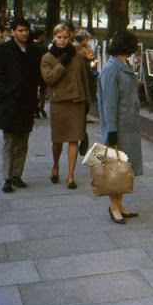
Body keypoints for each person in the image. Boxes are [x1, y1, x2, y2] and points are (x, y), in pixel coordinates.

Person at [0, 18, 42, 193]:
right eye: (20, 30)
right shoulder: (3, 50)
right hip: (9, 103)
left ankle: (17, 175)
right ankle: (7, 177)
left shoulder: (34, 51)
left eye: (26, 30)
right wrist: (9, 91)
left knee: (23, 141)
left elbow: (38, 74)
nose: (24, 33)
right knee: (9, 141)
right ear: (13, 32)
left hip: (27, 102)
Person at [98, 30, 142, 224]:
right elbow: (109, 103)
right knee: (115, 169)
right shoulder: (111, 69)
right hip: (119, 128)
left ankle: (120, 205)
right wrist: (111, 132)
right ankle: (114, 207)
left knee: (125, 169)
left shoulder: (123, 65)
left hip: (129, 125)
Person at [40, 23, 90, 189]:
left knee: (74, 139)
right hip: (59, 103)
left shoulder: (77, 55)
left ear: (70, 38)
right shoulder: (47, 57)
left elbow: (84, 78)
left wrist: (87, 101)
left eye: (65, 37)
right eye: (59, 37)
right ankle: (55, 165)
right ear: (54, 37)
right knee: (58, 140)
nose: (62, 41)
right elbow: (49, 79)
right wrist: (62, 64)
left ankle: (70, 175)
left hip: (76, 101)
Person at [30, 29, 48, 118]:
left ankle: (35, 108)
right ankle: (41, 107)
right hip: (42, 70)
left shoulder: (30, 46)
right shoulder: (43, 47)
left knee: (34, 90)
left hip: (33, 71)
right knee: (43, 90)